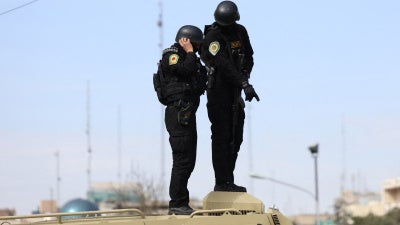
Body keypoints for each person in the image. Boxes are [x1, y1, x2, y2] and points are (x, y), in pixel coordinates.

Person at [200, 1, 259, 192]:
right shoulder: (212, 38)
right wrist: (243, 83)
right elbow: (223, 66)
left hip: (236, 92)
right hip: (219, 92)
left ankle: (229, 179)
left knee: (236, 136)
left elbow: (249, 55)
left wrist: (245, 76)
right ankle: (222, 181)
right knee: (222, 137)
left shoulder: (240, 31)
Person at [160, 25, 207, 215]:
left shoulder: (192, 59)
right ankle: (177, 204)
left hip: (187, 114)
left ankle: (181, 202)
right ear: (185, 41)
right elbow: (185, 71)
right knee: (181, 160)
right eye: (194, 44)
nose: (196, 48)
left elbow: (199, 79)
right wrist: (189, 52)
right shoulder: (172, 55)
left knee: (189, 160)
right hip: (177, 113)